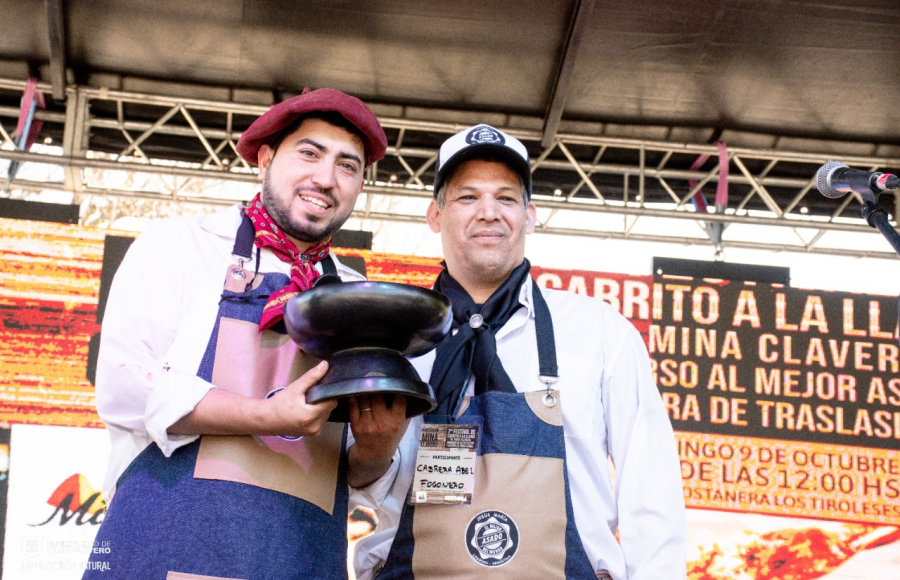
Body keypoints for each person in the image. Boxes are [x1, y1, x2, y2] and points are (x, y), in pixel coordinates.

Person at [86, 88, 409, 580]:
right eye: (309, 153)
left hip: (301, 561)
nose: (325, 178)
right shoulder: (180, 247)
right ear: (264, 158)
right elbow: (127, 388)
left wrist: (377, 448)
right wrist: (266, 415)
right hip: (161, 549)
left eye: (348, 165)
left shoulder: (355, 298)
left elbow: (354, 475)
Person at [355, 124, 687, 579]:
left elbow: (651, 493)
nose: (488, 213)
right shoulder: (392, 338)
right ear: (435, 215)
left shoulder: (600, 333)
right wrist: (372, 455)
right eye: (468, 197)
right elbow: (362, 482)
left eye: (506, 198)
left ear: (529, 216)